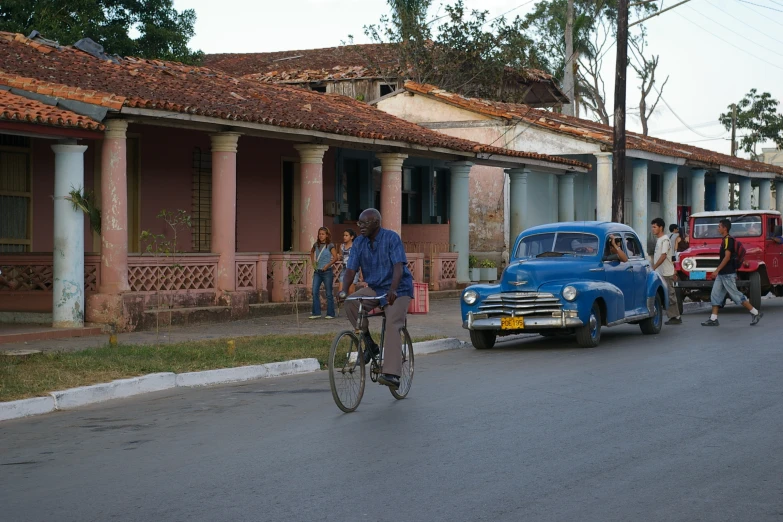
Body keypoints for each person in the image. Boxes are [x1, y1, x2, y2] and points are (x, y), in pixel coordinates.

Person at [337, 208, 413, 390]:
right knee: (352, 303)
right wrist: (344, 290)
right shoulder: (359, 243)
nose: (361, 227)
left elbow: (398, 267)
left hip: (399, 288)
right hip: (376, 288)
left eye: (365, 223)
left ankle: (392, 374)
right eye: (359, 223)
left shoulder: (391, 238)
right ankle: (370, 344)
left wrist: (393, 289)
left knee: (393, 324)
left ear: (376, 223)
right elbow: (350, 270)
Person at [701, 219, 763, 327]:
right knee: (715, 295)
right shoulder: (724, 239)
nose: (718, 228)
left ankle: (756, 313)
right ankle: (713, 319)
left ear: (725, 228)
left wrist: (716, 270)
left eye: (719, 226)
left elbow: (727, 257)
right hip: (722, 275)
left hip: (727, 274)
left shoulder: (728, 240)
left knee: (736, 296)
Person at [652, 218, 682, 325]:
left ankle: (676, 317)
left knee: (670, 295)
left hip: (666, 273)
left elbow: (664, 256)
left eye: (655, 227)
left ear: (661, 228)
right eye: (652, 227)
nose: (653, 229)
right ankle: (673, 316)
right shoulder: (659, 240)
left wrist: (653, 267)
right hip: (660, 273)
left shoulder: (665, 240)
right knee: (667, 295)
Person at [309, 227, 338, 320]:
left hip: (327, 271)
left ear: (326, 235)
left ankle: (330, 313)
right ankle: (316, 312)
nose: (321, 236)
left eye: (323, 234)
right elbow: (312, 252)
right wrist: (313, 263)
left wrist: (328, 265)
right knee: (314, 291)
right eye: (319, 234)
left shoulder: (330, 245)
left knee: (329, 293)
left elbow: (335, 257)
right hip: (317, 271)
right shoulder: (316, 245)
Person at [339, 228, 360, 295]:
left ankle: (351, 305)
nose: (344, 237)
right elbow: (341, 256)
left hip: (353, 269)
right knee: (341, 291)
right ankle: (342, 305)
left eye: (346, 235)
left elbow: (359, 258)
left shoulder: (355, 246)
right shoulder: (342, 246)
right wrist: (338, 256)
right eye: (344, 235)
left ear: (352, 237)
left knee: (350, 291)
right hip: (345, 269)